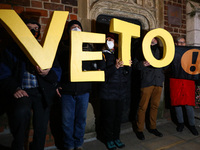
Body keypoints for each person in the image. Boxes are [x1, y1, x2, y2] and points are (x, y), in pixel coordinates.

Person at [0, 19, 61, 150]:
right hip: (23, 91)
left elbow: (57, 70)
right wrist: (14, 88)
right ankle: (18, 146)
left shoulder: (45, 49)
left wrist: (47, 74)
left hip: (42, 92)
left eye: (35, 29)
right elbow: (3, 73)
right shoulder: (12, 49)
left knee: (41, 125)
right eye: (28, 28)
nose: (32, 31)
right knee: (20, 114)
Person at [57, 20, 93, 150]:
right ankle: (69, 145)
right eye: (73, 27)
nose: (76, 29)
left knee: (81, 120)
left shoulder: (88, 46)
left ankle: (78, 144)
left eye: (78, 27)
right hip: (67, 90)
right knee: (67, 121)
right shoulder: (62, 46)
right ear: (68, 31)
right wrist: (57, 84)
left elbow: (92, 66)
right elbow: (57, 67)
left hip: (83, 90)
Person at [98, 33, 131, 150]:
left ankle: (116, 137)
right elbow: (102, 74)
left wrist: (128, 67)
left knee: (118, 117)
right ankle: (108, 139)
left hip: (120, 92)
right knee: (109, 117)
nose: (109, 40)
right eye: (106, 39)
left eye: (111, 38)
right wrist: (115, 67)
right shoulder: (102, 54)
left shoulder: (120, 54)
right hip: (108, 92)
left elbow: (126, 74)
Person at [133, 37, 164, 140]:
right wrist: (143, 64)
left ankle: (153, 127)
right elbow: (135, 64)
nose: (153, 39)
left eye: (155, 38)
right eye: (151, 37)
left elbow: (166, 65)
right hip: (147, 81)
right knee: (143, 107)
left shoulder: (161, 50)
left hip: (158, 81)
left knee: (155, 106)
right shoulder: (141, 49)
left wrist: (164, 64)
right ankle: (140, 129)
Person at [169, 36, 199, 135]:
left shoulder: (190, 53)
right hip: (176, 81)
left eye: (183, 43)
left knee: (189, 105)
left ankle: (192, 125)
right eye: (179, 43)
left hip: (188, 82)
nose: (182, 44)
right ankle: (180, 123)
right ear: (176, 44)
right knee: (177, 104)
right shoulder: (172, 53)